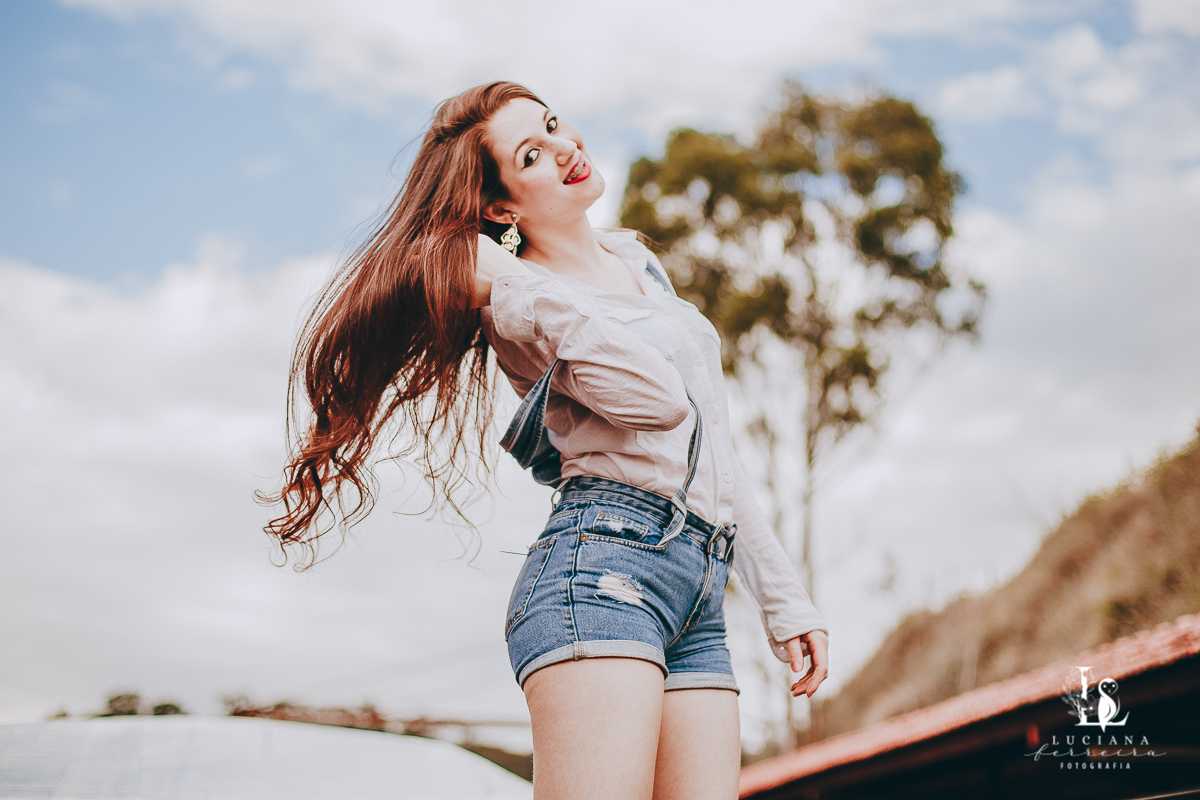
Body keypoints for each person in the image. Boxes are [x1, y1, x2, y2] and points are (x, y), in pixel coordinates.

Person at [264, 81, 828, 800]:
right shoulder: (520, 305)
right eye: (532, 154)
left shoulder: (641, 268)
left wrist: (785, 602)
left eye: (554, 126)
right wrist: (508, 274)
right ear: (501, 207)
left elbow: (713, 449)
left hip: (700, 586)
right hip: (601, 574)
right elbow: (657, 404)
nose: (566, 148)